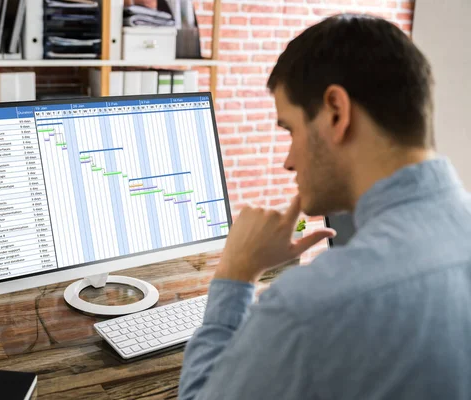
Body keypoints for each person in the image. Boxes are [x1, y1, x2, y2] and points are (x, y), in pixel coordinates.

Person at [179, 13, 471, 400]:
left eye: (291, 130)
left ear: (336, 111)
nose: (288, 160)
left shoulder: (313, 306)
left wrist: (236, 272)